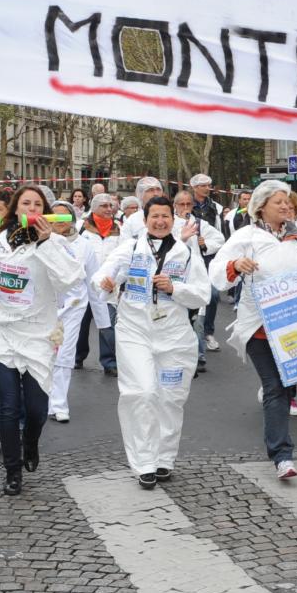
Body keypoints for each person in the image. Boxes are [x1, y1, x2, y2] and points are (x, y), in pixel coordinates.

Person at [210, 180, 297, 479]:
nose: (285, 206)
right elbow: (218, 273)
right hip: (259, 326)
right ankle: (282, 456)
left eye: (288, 202)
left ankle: (281, 451)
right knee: (276, 387)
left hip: (295, 325)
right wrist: (235, 265)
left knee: (284, 384)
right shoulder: (247, 236)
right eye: (278, 202)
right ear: (260, 207)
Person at [0, 185, 82, 495]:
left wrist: (46, 243)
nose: (30, 208)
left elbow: (70, 279)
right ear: (16, 208)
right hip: (3, 332)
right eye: (25, 203)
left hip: (40, 335)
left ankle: (30, 442)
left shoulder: (55, 242)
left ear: (44, 211)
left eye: (37, 204)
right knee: (8, 407)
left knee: (36, 410)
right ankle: (12, 471)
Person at [96, 196, 210, 488]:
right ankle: (143, 462)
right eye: (154, 216)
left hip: (174, 337)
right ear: (145, 221)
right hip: (134, 333)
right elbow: (104, 274)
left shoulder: (185, 253)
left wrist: (175, 288)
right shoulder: (130, 249)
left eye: (165, 216)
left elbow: (202, 295)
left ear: (174, 220)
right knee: (142, 393)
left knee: (170, 399)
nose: (160, 221)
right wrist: (107, 283)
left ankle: (164, 460)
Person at [45, 199, 107, 423]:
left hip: (73, 309)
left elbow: (93, 281)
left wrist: (103, 321)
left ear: (71, 218)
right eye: (54, 217)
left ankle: (59, 404)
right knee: (45, 354)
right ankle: (43, 399)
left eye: (64, 216)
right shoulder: (41, 242)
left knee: (64, 355)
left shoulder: (85, 245)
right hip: (46, 308)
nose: (59, 221)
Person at [174, 189, 225, 374]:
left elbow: (219, 239)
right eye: (182, 204)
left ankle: (200, 356)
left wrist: (205, 245)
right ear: (175, 206)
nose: (186, 208)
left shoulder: (199, 224)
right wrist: (182, 238)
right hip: (175, 273)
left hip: (195, 272)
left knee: (198, 312)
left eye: (189, 204)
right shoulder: (169, 223)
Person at [77, 193, 121, 376]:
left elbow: (123, 258)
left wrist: (116, 281)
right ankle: (77, 357)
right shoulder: (81, 228)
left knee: (107, 326)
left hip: (107, 287)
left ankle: (109, 362)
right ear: (94, 208)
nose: (109, 209)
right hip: (83, 285)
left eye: (110, 206)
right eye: (104, 206)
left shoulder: (119, 229)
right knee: (81, 324)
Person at [189, 174, 226, 355]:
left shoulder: (216, 208)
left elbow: (220, 235)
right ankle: (193, 331)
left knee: (213, 294)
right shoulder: (186, 205)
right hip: (189, 256)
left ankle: (208, 332)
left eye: (209, 185)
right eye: (203, 185)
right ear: (194, 187)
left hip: (209, 256)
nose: (207, 188)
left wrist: (207, 246)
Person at [121, 178, 162, 243]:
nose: (156, 193)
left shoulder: (172, 218)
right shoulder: (131, 221)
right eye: (150, 190)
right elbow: (124, 247)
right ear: (141, 194)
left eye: (158, 189)